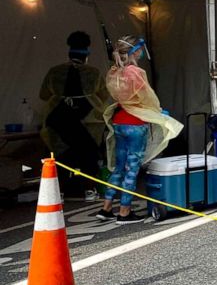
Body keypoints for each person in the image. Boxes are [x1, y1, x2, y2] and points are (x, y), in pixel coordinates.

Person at [98, 36, 182, 224]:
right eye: (141, 49)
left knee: (118, 167)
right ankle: (125, 211)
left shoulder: (114, 72)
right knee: (132, 168)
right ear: (135, 51)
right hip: (135, 123)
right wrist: (158, 112)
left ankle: (106, 208)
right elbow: (148, 98)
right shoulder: (136, 72)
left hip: (119, 120)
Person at [39, 31, 107, 200]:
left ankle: (58, 193)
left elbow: (43, 95)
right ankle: (89, 190)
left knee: (59, 154)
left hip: (58, 119)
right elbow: (104, 95)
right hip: (88, 122)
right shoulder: (94, 73)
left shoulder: (54, 72)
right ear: (86, 55)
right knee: (88, 154)